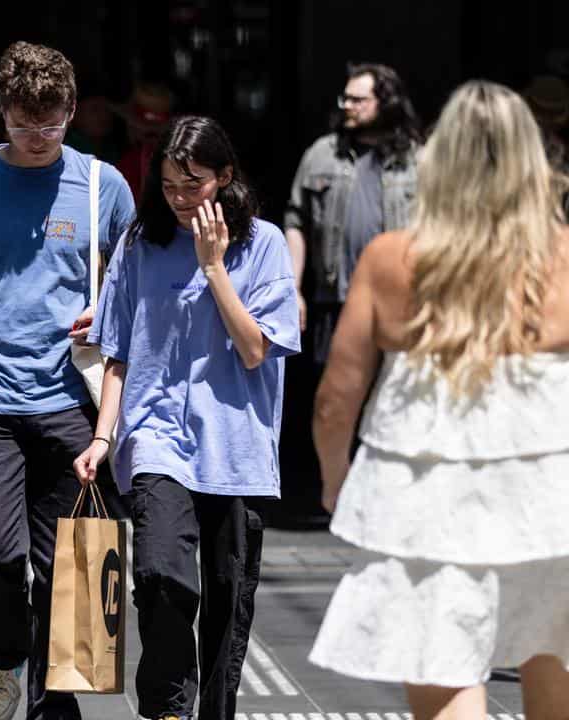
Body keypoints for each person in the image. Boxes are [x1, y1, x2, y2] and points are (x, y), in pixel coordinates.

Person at [308, 80, 569, 720]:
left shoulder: (393, 260)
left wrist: (337, 481)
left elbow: (336, 395)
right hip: (552, 486)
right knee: (554, 656)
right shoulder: (563, 258)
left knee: (442, 666)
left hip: (425, 491)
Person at [0, 41, 135, 720]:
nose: (38, 139)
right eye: (22, 124)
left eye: (51, 125)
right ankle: (6, 652)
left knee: (69, 560)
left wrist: (107, 306)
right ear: (1, 112)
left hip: (72, 397)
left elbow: (137, 286)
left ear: (72, 110)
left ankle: (55, 691)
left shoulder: (104, 185)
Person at [74, 115, 301, 720]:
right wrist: (103, 437)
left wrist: (214, 267)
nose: (179, 198)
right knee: (159, 575)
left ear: (225, 178)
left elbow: (255, 350)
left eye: (193, 184)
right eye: (170, 184)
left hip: (236, 446)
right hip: (155, 437)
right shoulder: (138, 244)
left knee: (229, 600)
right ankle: (168, 708)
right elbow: (116, 352)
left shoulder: (266, 245)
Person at [285, 62, 421, 354]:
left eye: (357, 100)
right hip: (334, 301)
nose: (347, 106)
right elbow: (296, 222)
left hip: (398, 300)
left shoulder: (415, 159)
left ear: (386, 103)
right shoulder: (322, 153)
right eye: (344, 99)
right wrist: (292, 289)